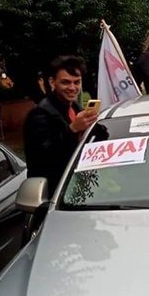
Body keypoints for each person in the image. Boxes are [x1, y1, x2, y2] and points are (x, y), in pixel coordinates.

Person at [23, 55, 99, 196]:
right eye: (65, 82)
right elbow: (43, 157)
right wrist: (72, 129)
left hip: (79, 188)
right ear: (52, 82)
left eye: (77, 82)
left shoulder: (76, 109)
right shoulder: (40, 114)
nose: (72, 88)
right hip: (53, 196)